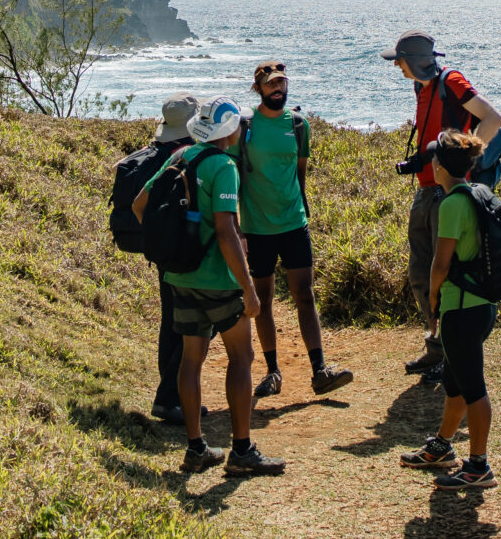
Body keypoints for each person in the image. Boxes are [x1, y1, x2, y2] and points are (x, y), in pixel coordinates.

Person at [148, 98, 287, 478]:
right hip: (218, 281)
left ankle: (196, 448)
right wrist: (249, 288)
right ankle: (241, 450)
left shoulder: (179, 157)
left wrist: (177, 246)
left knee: (191, 360)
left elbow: (143, 204)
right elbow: (227, 230)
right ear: (229, 131)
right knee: (242, 357)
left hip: (180, 278)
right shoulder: (224, 166)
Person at [383, 29, 501, 382]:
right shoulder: (422, 88)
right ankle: (438, 347)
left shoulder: (450, 81)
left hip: (446, 193)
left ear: (415, 61)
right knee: (421, 272)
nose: (398, 67)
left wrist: (460, 160)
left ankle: (450, 353)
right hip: (426, 191)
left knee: (445, 273)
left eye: (400, 61)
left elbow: (493, 119)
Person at [238, 60, 355, 399]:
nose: (278, 89)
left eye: (282, 83)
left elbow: (299, 172)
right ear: (258, 88)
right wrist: (238, 228)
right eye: (271, 84)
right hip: (257, 228)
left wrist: (302, 207)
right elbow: (235, 175)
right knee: (263, 301)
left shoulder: (300, 125)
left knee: (305, 294)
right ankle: (272, 372)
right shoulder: (244, 126)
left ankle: (320, 371)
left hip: (293, 224)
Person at [399, 130, 499, 488]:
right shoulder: (479, 193)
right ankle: (442, 447)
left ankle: (479, 466)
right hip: (483, 306)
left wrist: (432, 306)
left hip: (460, 310)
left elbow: (440, 265)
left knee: (473, 389)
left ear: (439, 165)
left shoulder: (452, 205)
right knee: (454, 382)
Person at [134, 95, 200, 426]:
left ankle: (171, 396)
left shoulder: (161, 153)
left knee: (170, 322)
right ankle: (168, 396)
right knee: (198, 323)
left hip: (165, 253)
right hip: (185, 255)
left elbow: (138, 205)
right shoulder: (185, 156)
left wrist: (159, 240)